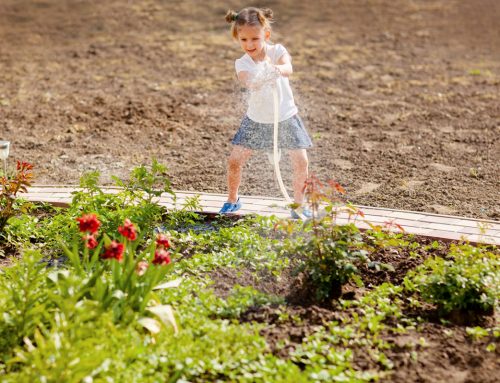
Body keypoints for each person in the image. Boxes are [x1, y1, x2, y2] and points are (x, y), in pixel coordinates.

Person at [219, 7, 313, 218]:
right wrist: (258, 80)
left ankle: (300, 204)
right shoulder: (242, 63)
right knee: (235, 160)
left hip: (286, 117)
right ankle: (232, 200)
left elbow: (288, 67)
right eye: (244, 40)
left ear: (266, 35)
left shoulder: (277, 51)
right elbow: (246, 80)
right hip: (257, 120)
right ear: (238, 39)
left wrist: (277, 70)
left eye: (255, 39)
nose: (249, 45)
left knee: (301, 161)